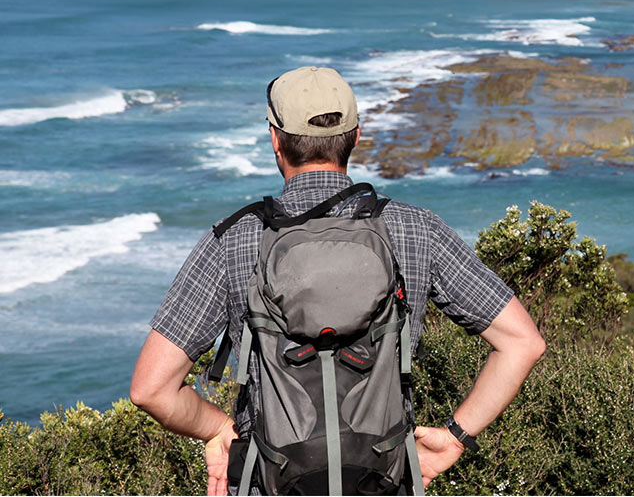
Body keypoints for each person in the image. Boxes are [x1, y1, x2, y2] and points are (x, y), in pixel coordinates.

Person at [130, 66, 546, 495]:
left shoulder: (234, 239)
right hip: (386, 480)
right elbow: (522, 343)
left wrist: (218, 428)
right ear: (356, 137)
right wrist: (456, 436)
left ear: (276, 140)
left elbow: (151, 389)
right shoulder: (416, 229)